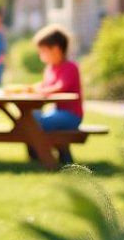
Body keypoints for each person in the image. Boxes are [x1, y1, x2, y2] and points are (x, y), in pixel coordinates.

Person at [29, 24, 83, 165]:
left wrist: (40, 91)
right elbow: (44, 85)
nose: (40, 55)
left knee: (32, 123)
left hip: (71, 116)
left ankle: (41, 153)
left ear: (56, 49)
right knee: (29, 116)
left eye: (43, 51)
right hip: (57, 113)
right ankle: (41, 153)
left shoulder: (70, 67)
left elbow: (60, 87)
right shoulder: (50, 68)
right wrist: (31, 88)